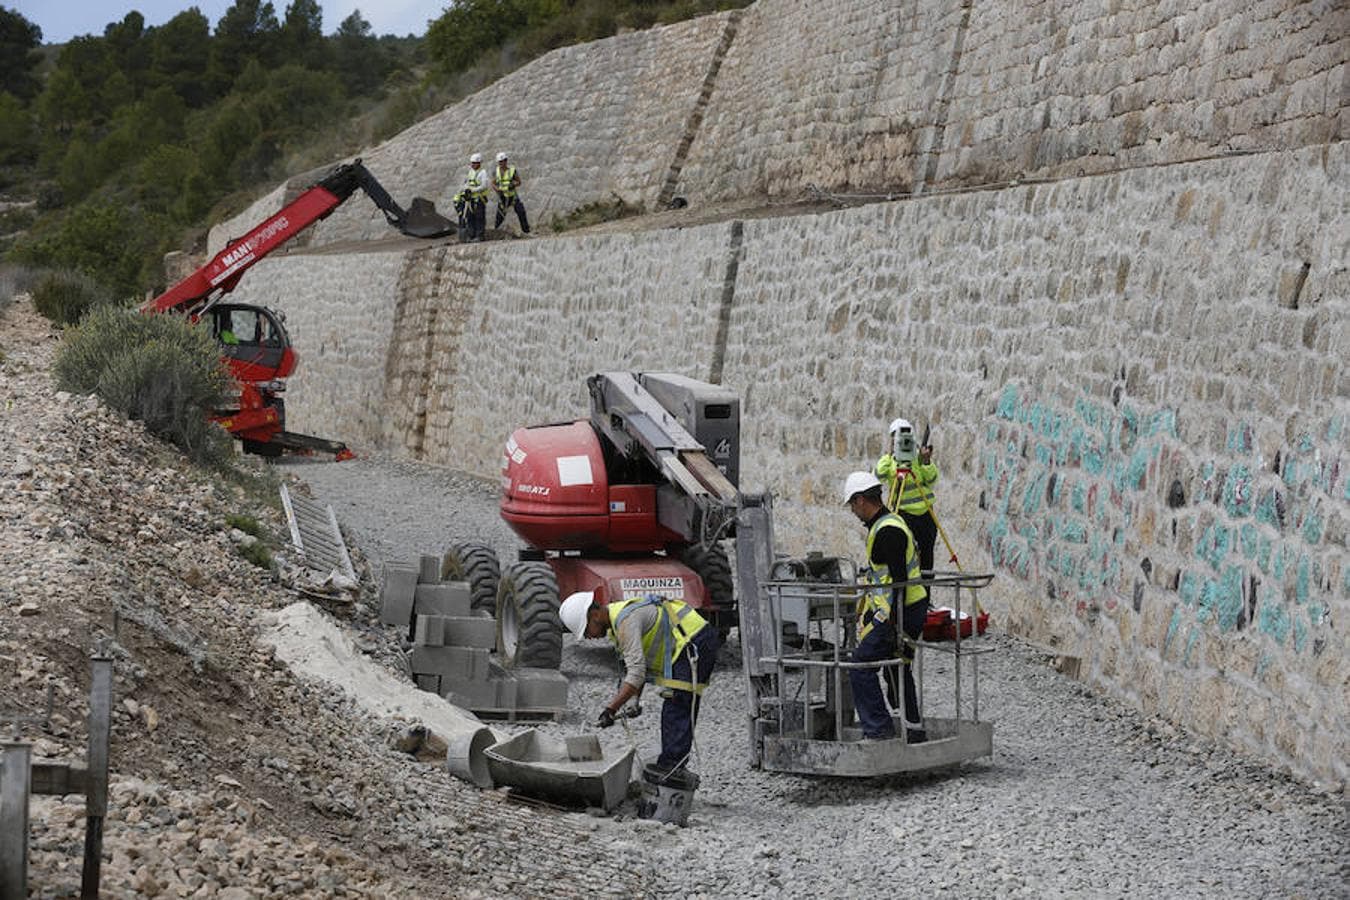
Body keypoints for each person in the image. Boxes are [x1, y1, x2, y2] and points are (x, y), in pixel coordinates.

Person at [560, 591, 719, 775]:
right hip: (690, 640)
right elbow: (637, 666)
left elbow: (636, 674)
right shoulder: (618, 622)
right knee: (676, 703)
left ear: (594, 615)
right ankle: (671, 765)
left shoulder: (626, 621)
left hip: (694, 640)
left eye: (587, 630)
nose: (589, 637)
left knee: (677, 704)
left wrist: (610, 709)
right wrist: (633, 701)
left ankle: (671, 769)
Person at [842, 471, 929, 743]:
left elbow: (899, 580)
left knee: (860, 665)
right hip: (906, 609)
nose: (853, 512)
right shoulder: (888, 524)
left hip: (902, 611)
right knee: (897, 668)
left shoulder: (888, 530)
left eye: (852, 505)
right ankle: (913, 732)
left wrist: (893, 623)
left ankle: (879, 731)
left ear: (860, 501)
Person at [875, 418, 939, 576]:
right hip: (902, 514)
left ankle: (926, 596)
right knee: (903, 556)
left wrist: (926, 461)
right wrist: (890, 454)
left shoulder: (918, 458)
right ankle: (905, 595)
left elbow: (932, 480)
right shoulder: (890, 460)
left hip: (925, 514)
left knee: (926, 560)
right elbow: (878, 475)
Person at [492, 151, 530, 235]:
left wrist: (513, 184)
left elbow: (519, 182)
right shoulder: (496, 171)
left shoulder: (512, 170)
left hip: (512, 196)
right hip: (502, 197)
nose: (502, 163)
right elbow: (493, 183)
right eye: (500, 162)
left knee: (521, 212)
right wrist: (497, 190)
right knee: (500, 216)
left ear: (506, 161)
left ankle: (526, 231)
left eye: (504, 161)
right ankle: (496, 232)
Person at [460, 152, 490, 241]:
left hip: (479, 199)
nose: (473, 165)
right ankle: (471, 235)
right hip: (470, 199)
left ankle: (480, 236)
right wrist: (466, 189)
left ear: (479, 163)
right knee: (470, 217)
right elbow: (466, 183)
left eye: (475, 163)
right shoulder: (470, 172)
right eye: (472, 163)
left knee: (479, 217)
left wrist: (472, 190)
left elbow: (484, 186)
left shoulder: (483, 173)